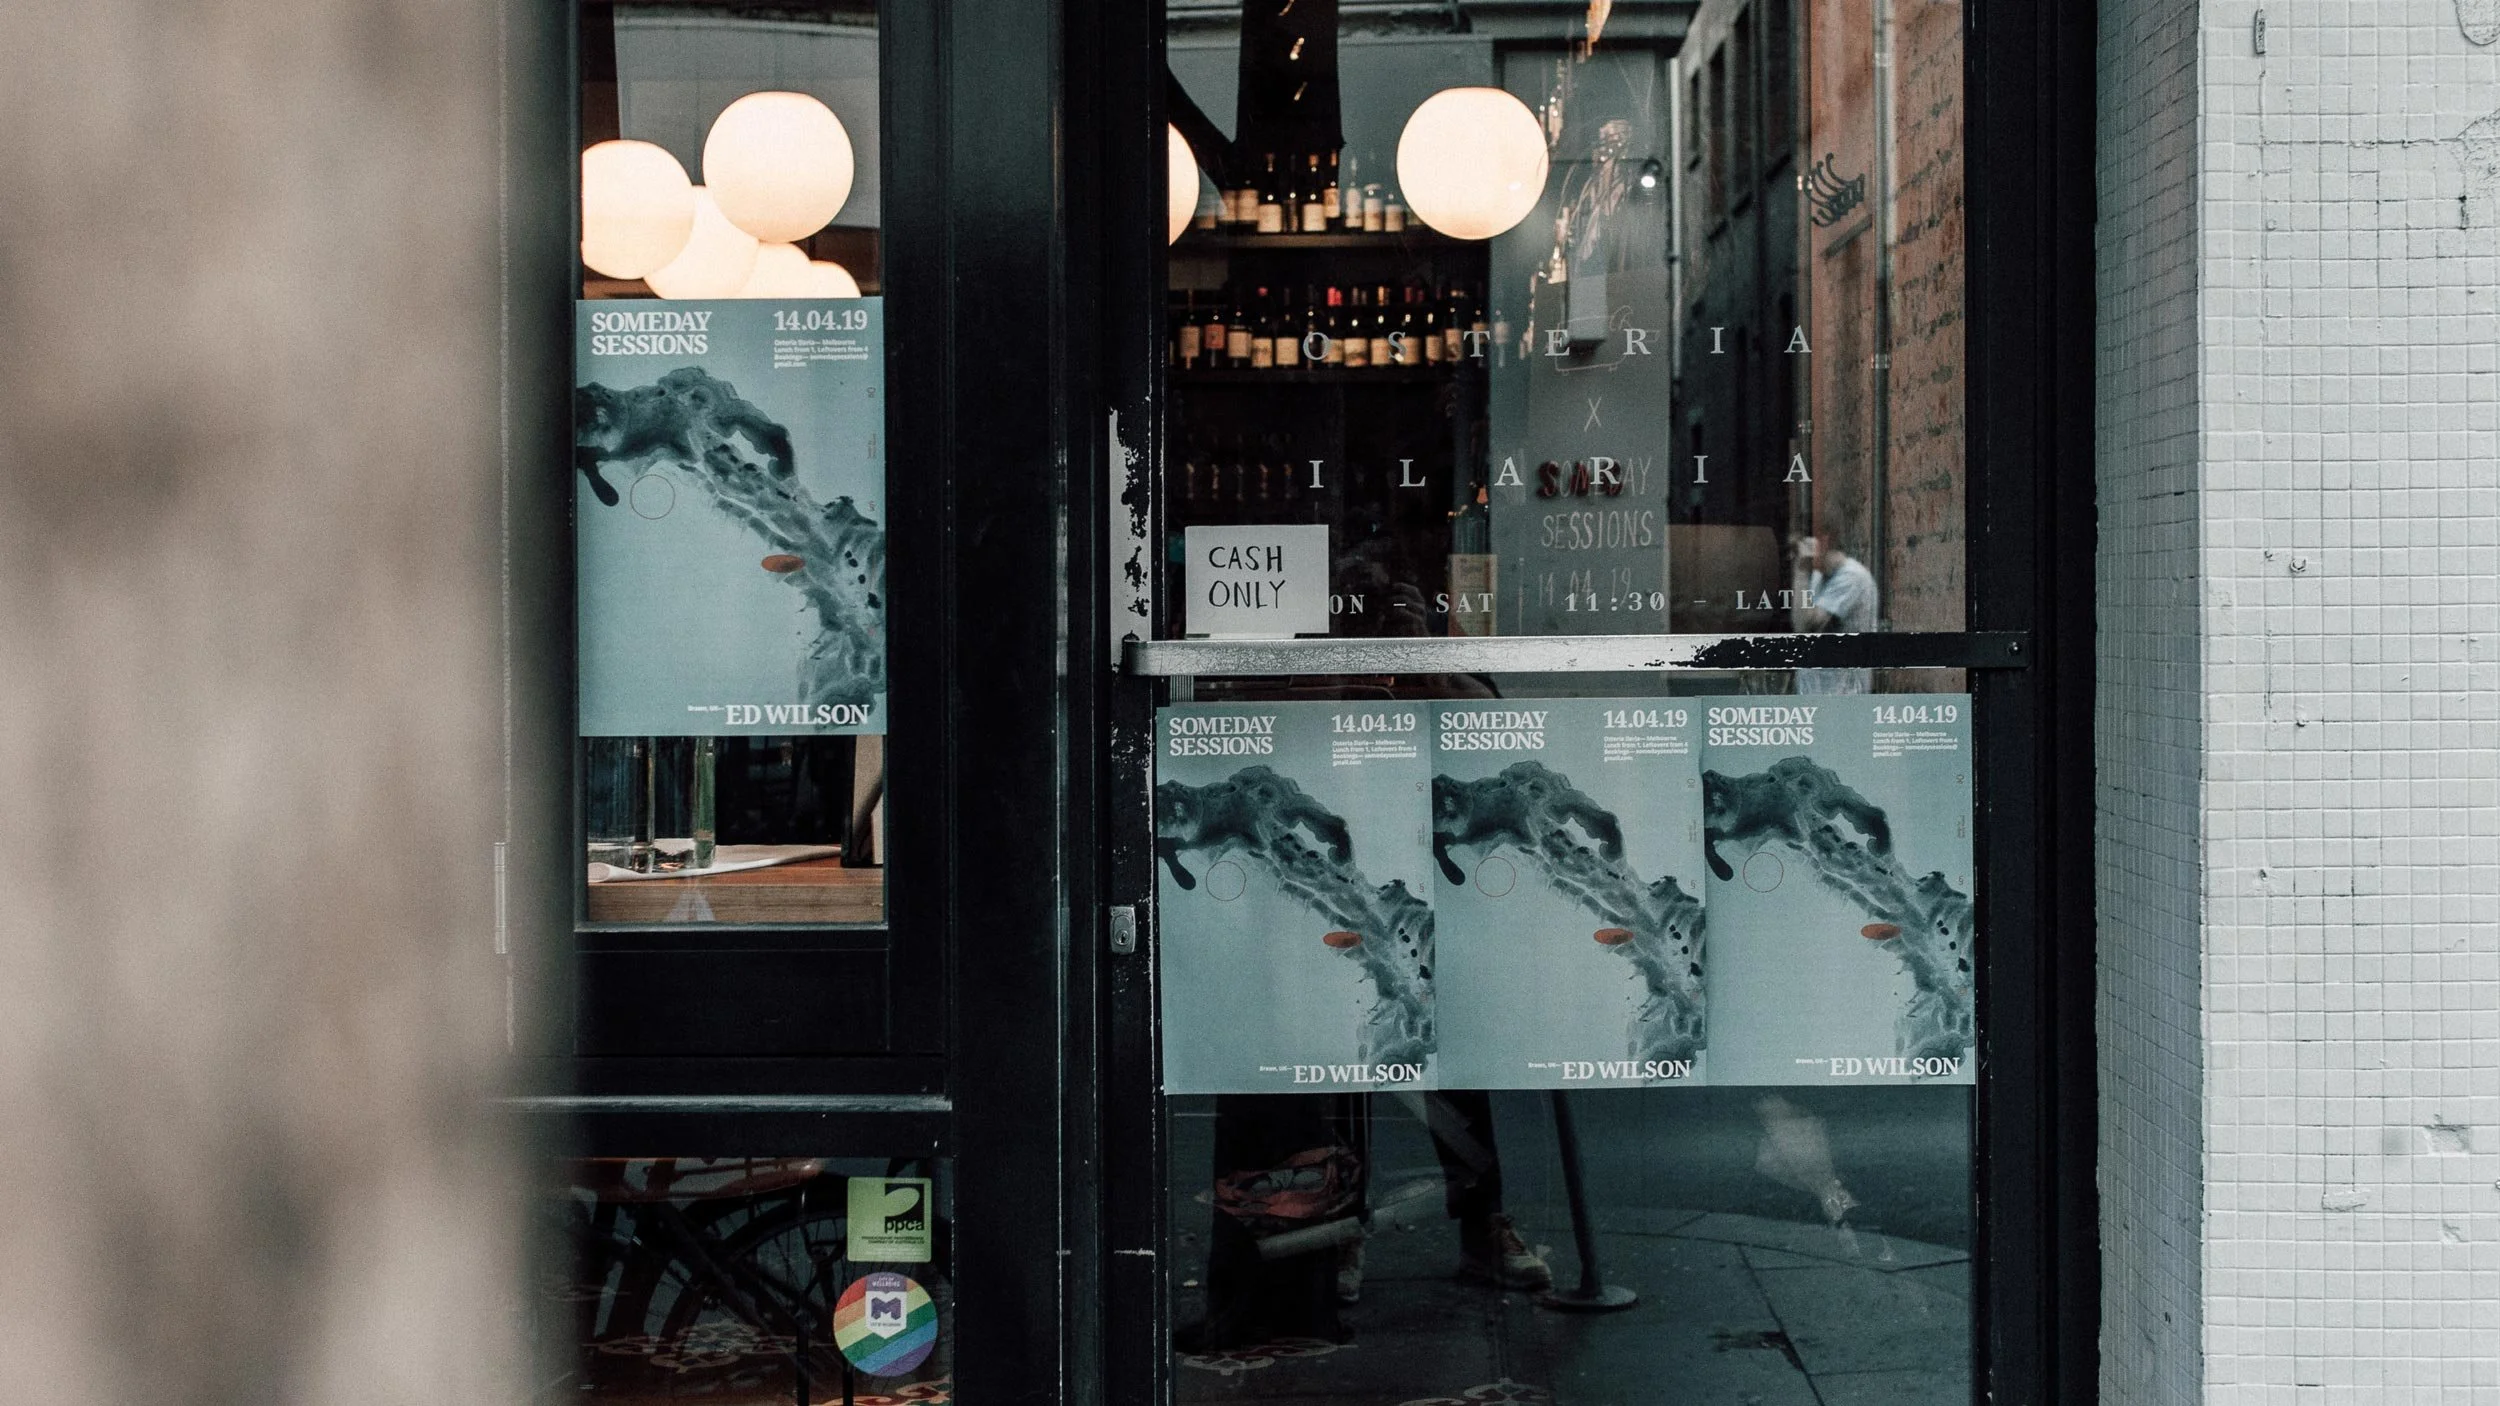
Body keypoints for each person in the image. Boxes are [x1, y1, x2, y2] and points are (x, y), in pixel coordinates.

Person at [1789, 533, 1879, 695]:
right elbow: (1799, 625)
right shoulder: (1819, 576)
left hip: (1843, 695)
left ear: (1824, 542)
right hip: (1816, 694)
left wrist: (1801, 572)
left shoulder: (1851, 576)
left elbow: (1808, 624)